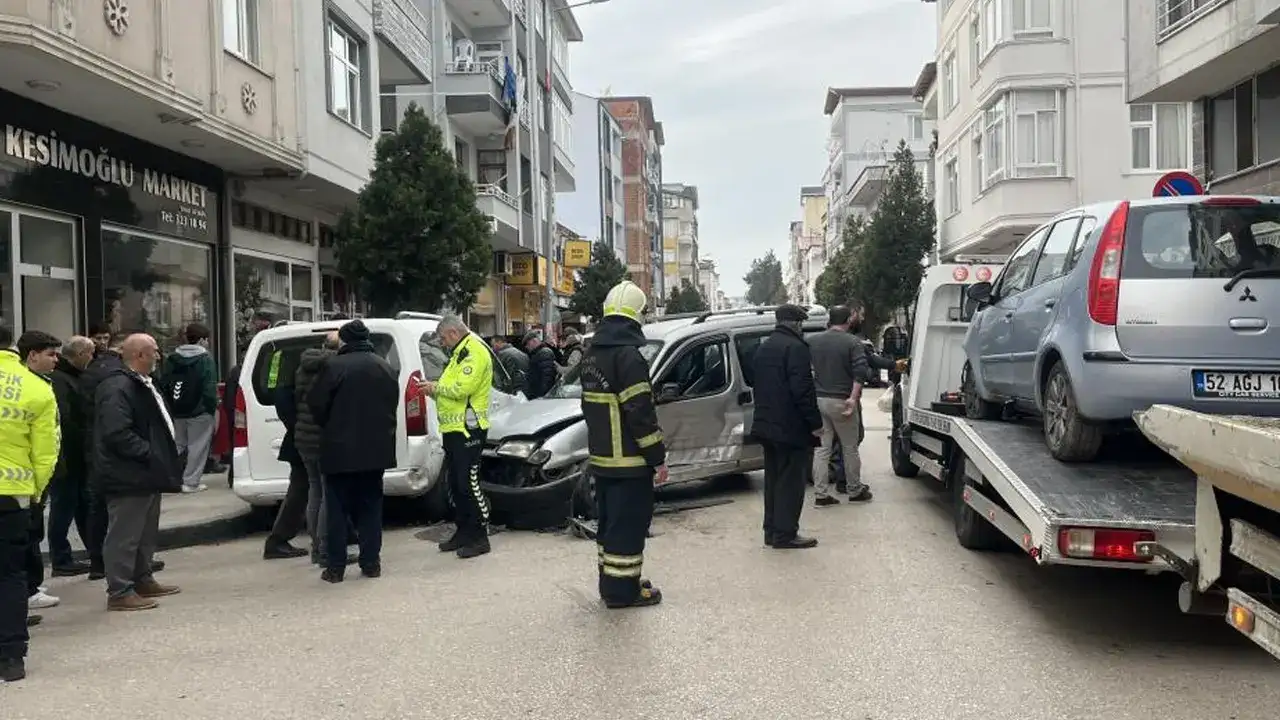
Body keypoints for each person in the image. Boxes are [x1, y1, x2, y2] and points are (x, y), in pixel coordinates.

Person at [580, 281, 669, 608]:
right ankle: (623, 593)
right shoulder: (629, 357)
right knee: (628, 528)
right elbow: (640, 413)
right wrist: (657, 457)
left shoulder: (591, 356)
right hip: (629, 464)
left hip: (602, 461)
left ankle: (615, 582)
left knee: (609, 527)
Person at [95, 334, 183, 611]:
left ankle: (142, 578)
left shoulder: (141, 382)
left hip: (147, 470)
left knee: (145, 531)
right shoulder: (118, 386)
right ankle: (120, 590)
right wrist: (149, 453)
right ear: (140, 355)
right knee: (125, 534)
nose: (159, 356)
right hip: (128, 473)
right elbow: (116, 432)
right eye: (155, 351)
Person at [307, 320, 398, 583]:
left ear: (345, 341)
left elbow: (316, 404)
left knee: (337, 509)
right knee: (371, 507)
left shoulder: (333, 366)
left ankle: (336, 567)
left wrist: (331, 426)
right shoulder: (385, 366)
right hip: (375, 451)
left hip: (339, 451)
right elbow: (391, 405)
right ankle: (371, 563)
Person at [0, 325, 60, 681]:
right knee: (10, 576)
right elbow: (46, 452)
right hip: (12, 496)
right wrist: (36, 493)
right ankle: (11, 657)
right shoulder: (36, 388)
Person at [419, 317, 494, 560]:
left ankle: (480, 536)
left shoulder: (473, 351)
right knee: (455, 485)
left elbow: (462, 389)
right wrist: (434, 390)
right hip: (454, 429)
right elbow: (450, 391)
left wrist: (435, 388)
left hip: (469, 429)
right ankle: (464, 531)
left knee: (468, 483)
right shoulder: (458, 353)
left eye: (443, 338)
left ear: (453, 332)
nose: (442, 343)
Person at [750, 304, 823, 550]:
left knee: (773, 481)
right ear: (795, 324)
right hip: (790, 428)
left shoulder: (763, 348)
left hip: (766, 427)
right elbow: (803, 390)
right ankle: (786, 534)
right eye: (801, 325)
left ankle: (771, 531)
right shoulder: (797, 348)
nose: (801, 329)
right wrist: (815, 423)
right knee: (791, 483)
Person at [293, 332, 355, 567]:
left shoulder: (303, 367)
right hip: (322, 437)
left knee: (314, 490)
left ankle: (315, 547)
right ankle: (324, 548)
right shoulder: (333, 368)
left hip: (303, 437)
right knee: (329, 494)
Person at [807, 306, 875, 507]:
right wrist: (853, 399)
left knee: (822, 450)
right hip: (842, 402)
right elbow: (860, 372)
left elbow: (807, 369)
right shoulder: (852, 342)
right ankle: (855, 491)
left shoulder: (812, 341)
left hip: (820, 401)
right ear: (847, 320)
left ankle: (821, 495)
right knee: (849, 448)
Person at [16, 331, 61, 613]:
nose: (56, 359)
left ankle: (29, 584)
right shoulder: (30, 386)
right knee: (26, 534)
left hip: (30, 474)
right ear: (32, 355)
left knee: (32, 533)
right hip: (25, 476)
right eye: (50, 354)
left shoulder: (39, 382)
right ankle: (27, 589)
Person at [47, 336, 96, 577]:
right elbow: (66, 420)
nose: (92, 358)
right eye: (90, 353)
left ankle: (94, 551)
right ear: (79, 354)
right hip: (67, 455)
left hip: (77, 454)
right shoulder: (60, 380)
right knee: (64, 506)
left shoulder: (72, 378)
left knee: (82, 505)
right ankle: (61, 558)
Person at [262, 348, 310, 560]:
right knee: (301, 491)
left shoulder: (287, 387)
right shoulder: (294, 387)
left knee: (308, 489)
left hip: (298, 441)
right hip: (303, 443)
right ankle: (278, 539)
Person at [161, 323, 219, 494]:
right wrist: (211, 408)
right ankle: (190, 482)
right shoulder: (206, 359)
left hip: (177, 410)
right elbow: (209, 388)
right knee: (198, 446)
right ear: (201, 340)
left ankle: (168, 478)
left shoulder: (172, 358)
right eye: (206, 339)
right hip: (199, 411)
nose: (208, 343)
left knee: (177, 445)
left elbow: (165, 384)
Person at [521, 329, 559, 400]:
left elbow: (547, 377)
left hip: (540, 396)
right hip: (536, 394)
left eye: (528, 344)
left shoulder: (544, 353)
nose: (526, 347)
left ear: (534, 341)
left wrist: (543, 395)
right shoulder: (537, 353)